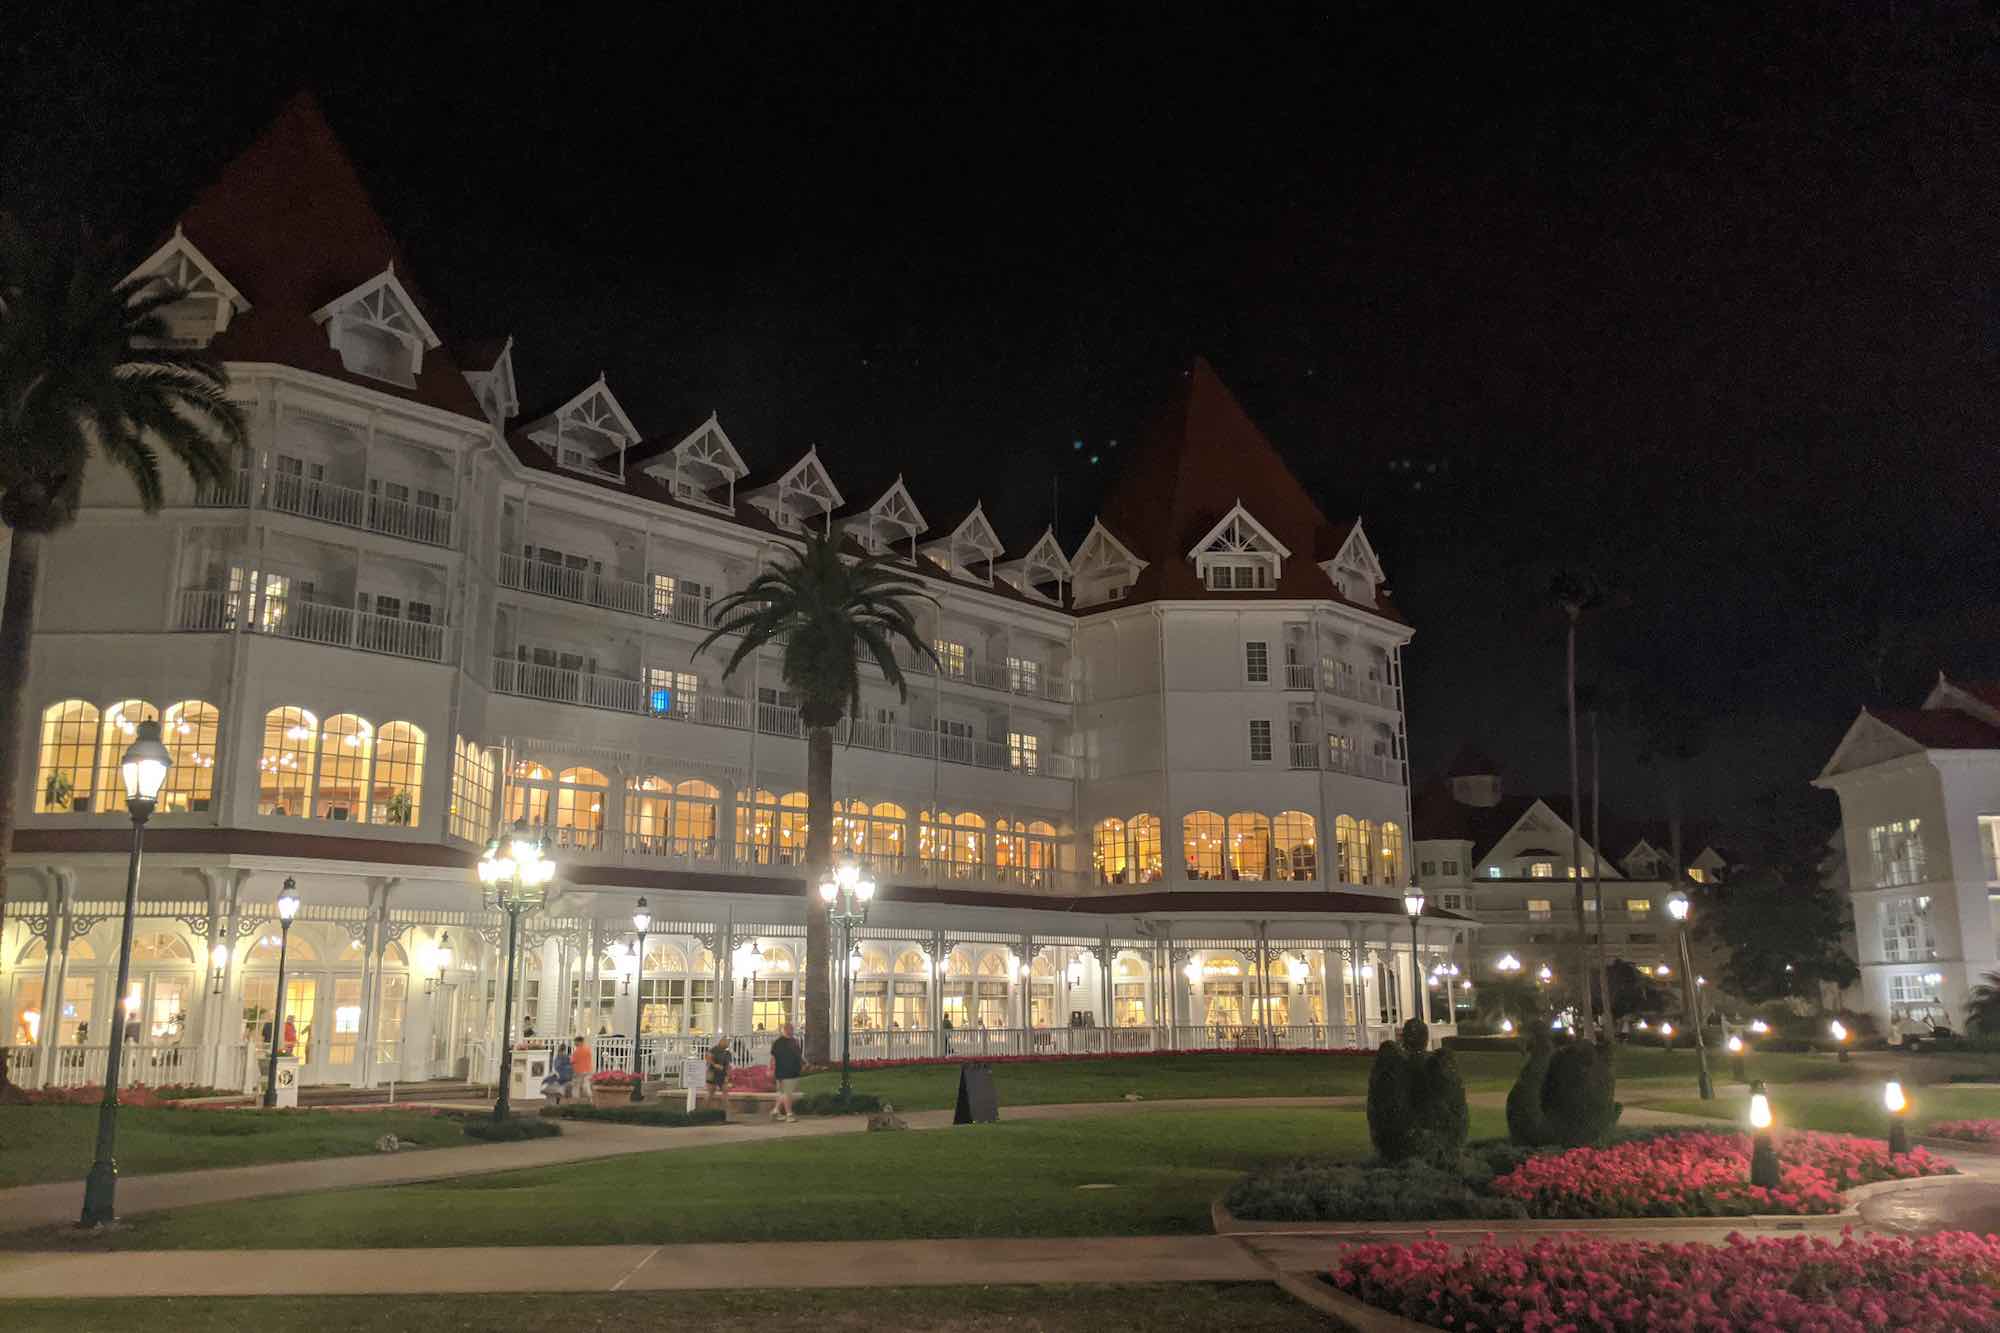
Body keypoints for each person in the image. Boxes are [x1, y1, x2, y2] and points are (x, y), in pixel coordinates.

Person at [770, 1022, 803, 1123]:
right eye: (789, 1029)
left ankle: (775, 1111)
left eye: (792, 1029)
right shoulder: (778, 1042)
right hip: (783, 1072)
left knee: (783, 1093)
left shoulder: (795, 1042)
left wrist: (803, 1064)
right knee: (787, 1094)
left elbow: (798, 1055)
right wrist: (770, 1069)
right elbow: (773, 1058)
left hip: (793, 1072)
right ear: (784, 1030)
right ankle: (789, 1114)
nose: (791, 1031)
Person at [705, 1038, 734, 1103]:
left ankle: (725, 1110)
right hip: (712, 1073)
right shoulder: (713, 1050)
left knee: (725, 1091)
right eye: (726, 1043)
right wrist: (715, 1064)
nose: (727, 1045)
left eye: (728, 1043)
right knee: (711, 1092)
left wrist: (728, 1074)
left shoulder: (727, 1053)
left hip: (722, 1074)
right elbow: (707, 1058)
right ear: (721, 1042)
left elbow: (728, 1064)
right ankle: (705, 1108)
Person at [570, 1034, 594, 1099]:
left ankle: (575, 1101)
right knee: (586, 1085)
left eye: (575, 1041)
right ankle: (590, 1098)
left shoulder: (576, 1051)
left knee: (576, 1087)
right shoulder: (588, 1050)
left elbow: (572, 1061)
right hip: (588, 1070)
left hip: (578, 1071)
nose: (574, 1043)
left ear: (579, 1042)